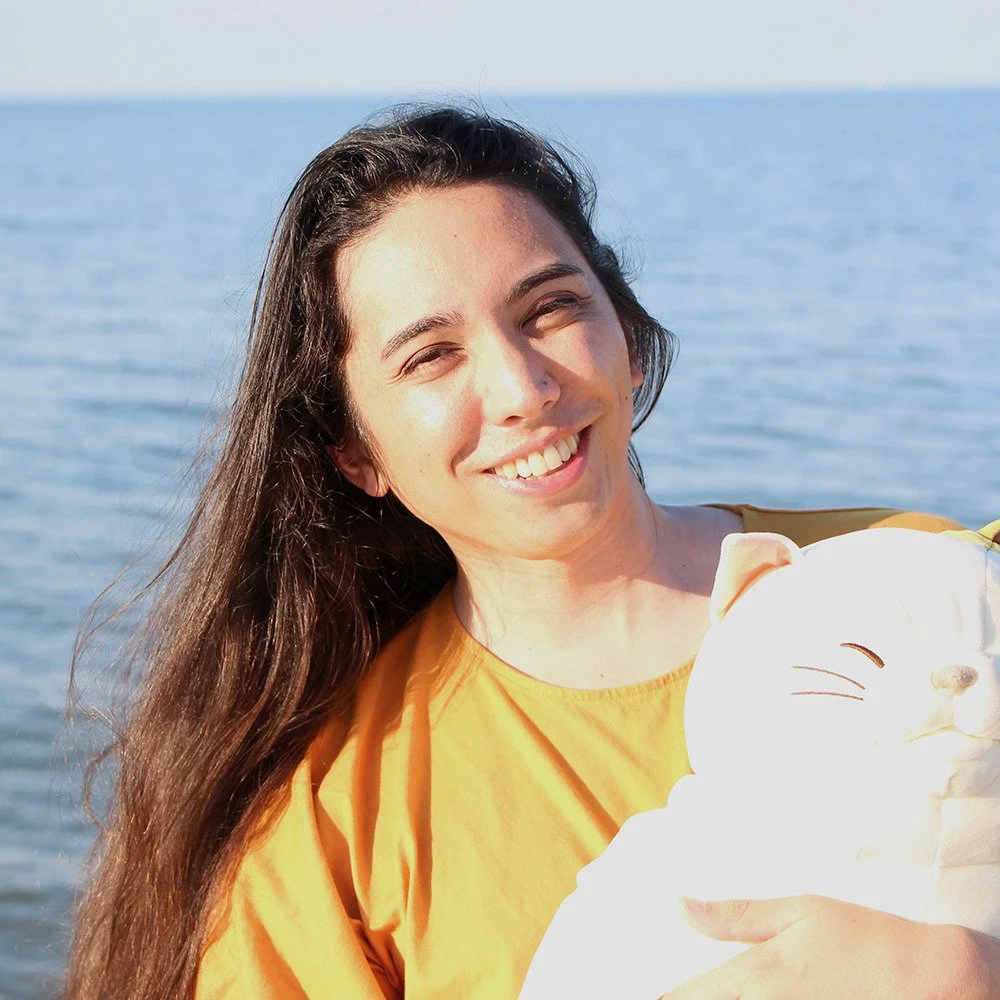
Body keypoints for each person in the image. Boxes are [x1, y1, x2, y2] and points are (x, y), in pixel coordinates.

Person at [64, 105, 999, 1000]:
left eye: (550, 308)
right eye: (431, 356)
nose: (522, 389)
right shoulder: (329, 817)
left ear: (626, 333)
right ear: (353, 450)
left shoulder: (927, 583)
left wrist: (977, 975)